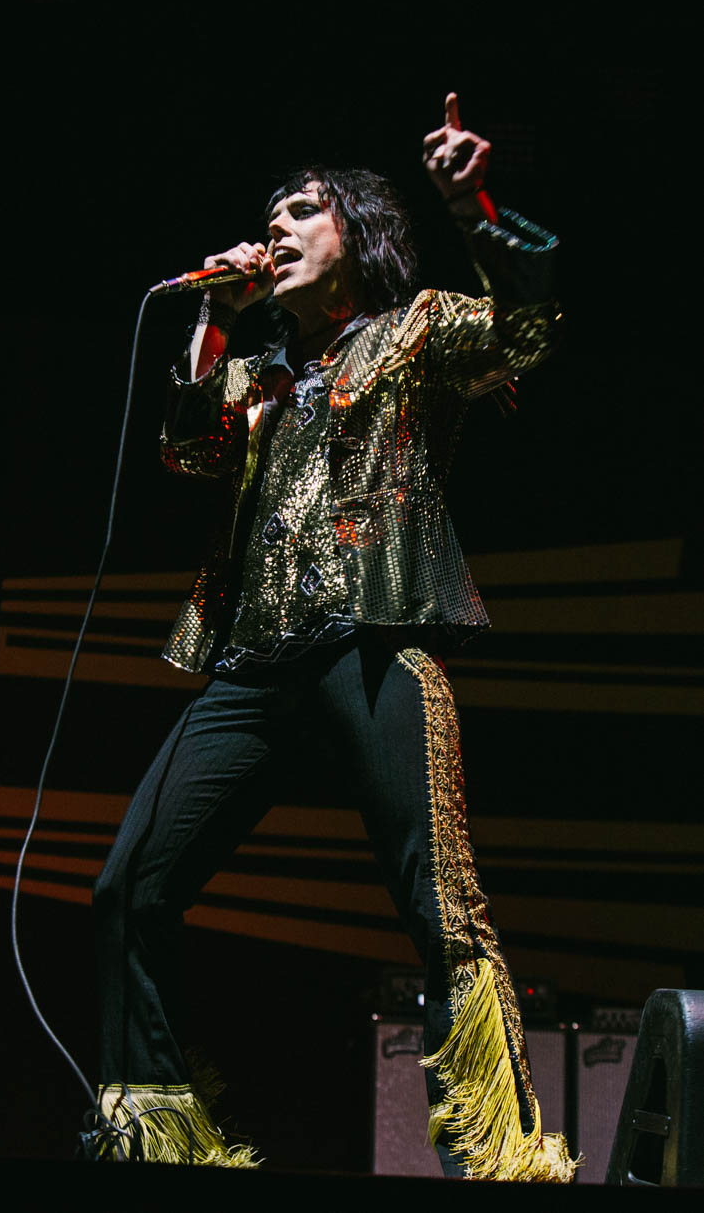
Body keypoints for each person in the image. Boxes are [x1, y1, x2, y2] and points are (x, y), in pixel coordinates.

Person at [92, 94, 576, 1180]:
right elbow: (188, 449)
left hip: (372, 643)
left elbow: (526, 329)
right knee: (128, 885)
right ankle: (159, 1139)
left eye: (301, 211)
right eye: (269, 216)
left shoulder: (410, 332)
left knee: (440, 903)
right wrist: (215, 317)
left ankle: (500, 1154)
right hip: (253, 666)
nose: (276, 227)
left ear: (356, 238)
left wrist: (473, 208)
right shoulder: (257, 374)